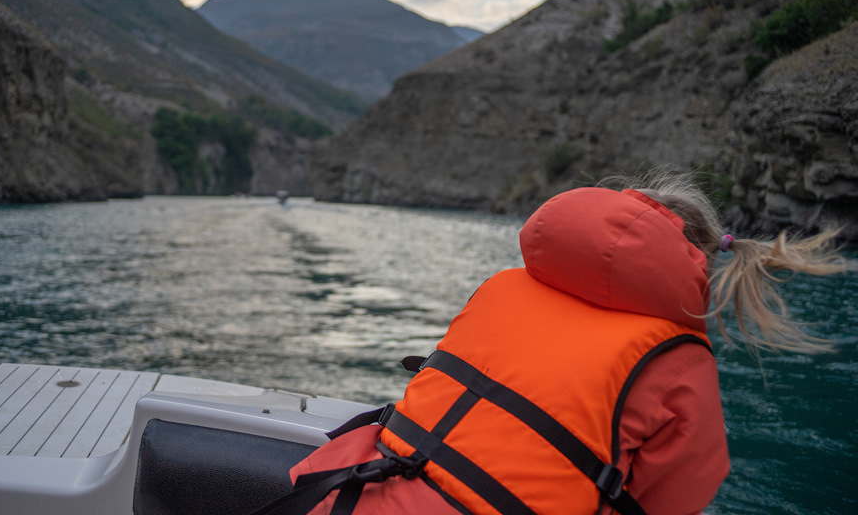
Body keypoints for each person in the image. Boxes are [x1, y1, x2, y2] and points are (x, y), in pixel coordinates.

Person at [261, 172, 848, 515]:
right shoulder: (678, 360)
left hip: (346, 499)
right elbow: (672, 501)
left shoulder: (502, 287)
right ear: (698, 259)